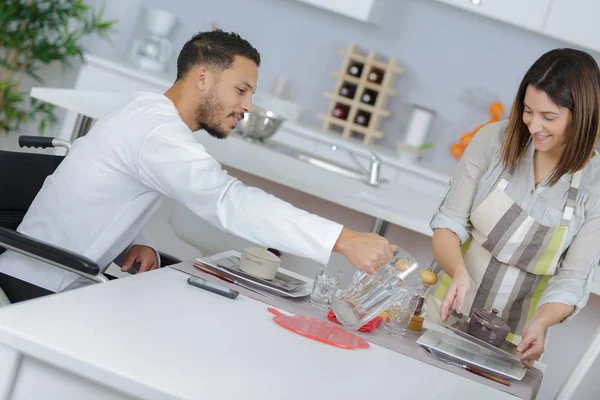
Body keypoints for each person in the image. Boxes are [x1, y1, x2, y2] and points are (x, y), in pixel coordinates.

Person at [0, 30, 395, 298]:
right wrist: (343, 239)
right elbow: (228, 202)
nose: (247, 106)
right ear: (203, 77)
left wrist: (124, 245)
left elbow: (91, 202)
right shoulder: (159, 134)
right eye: (241, 90)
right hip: (42, 289)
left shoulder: (148, 114)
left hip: (55, 274)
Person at [426, 48, 600, 368]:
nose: (534, 126)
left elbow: (572, 280)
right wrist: (458, 271)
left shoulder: (595, 185)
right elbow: (448, 223)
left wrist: (542, 322)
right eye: (528, 111)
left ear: (582, 117)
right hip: (446, 308)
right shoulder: (494, 140)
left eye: (549, 117)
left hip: (514, 341)